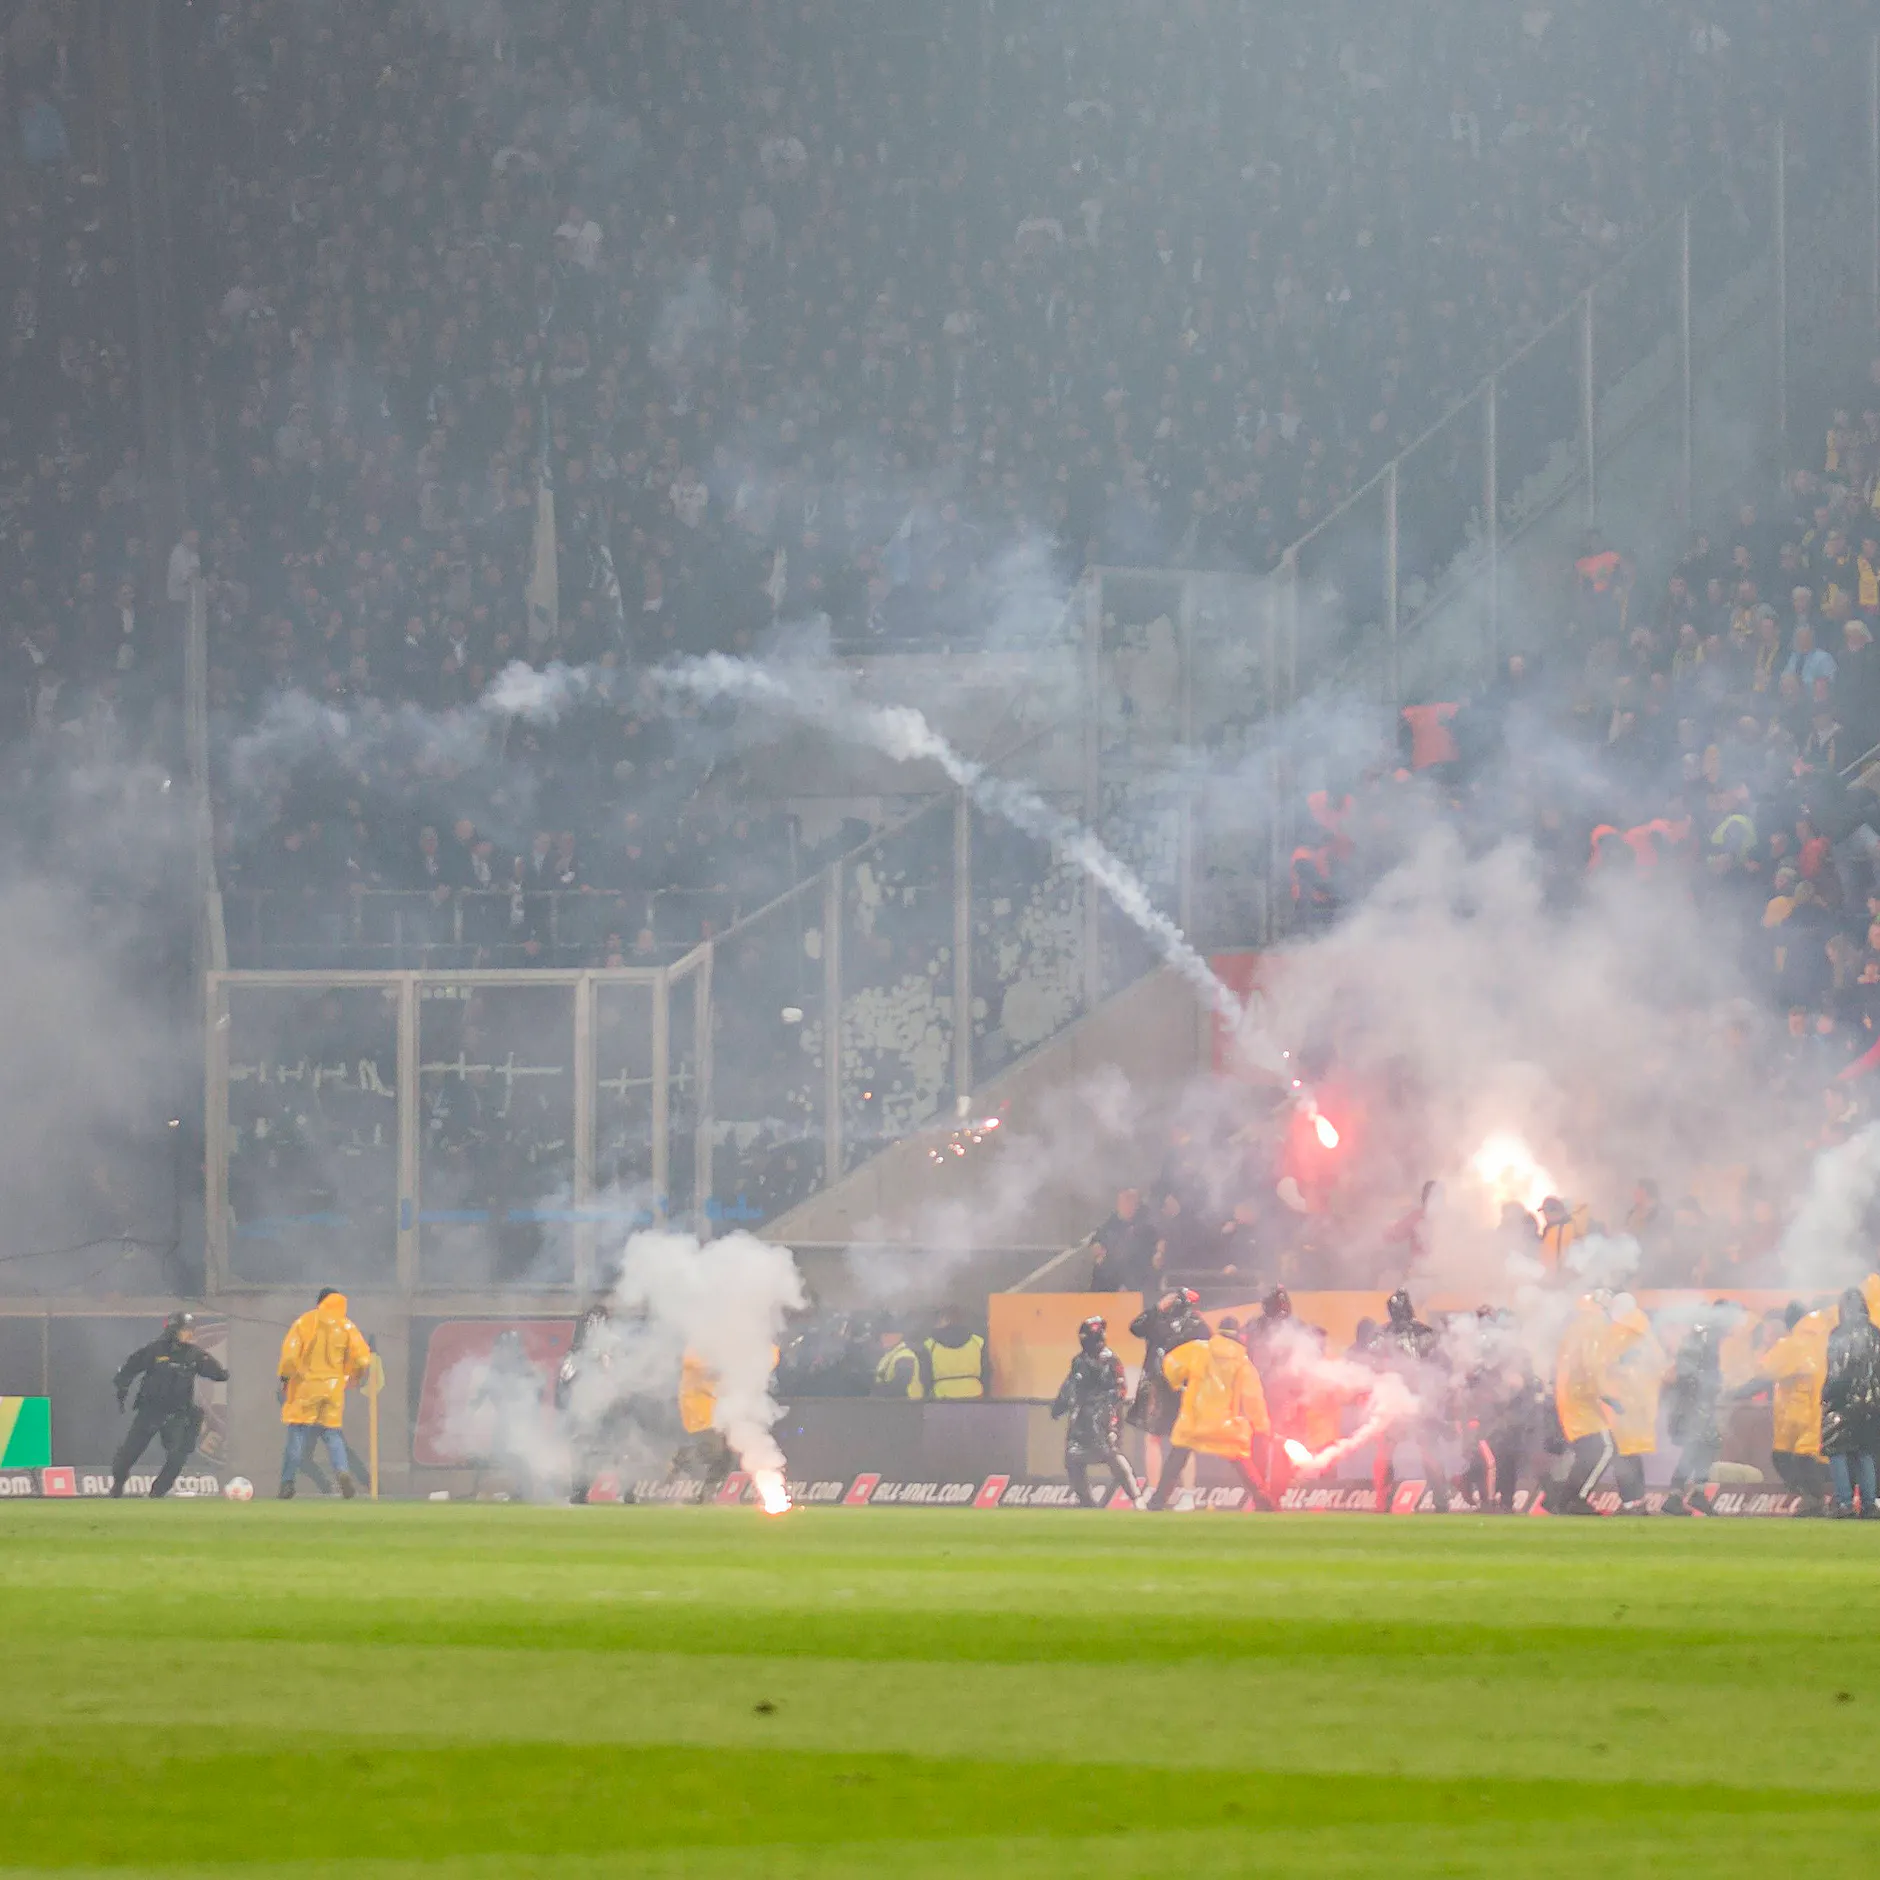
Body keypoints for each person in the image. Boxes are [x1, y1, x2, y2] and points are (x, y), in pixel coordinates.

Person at [1153, 1315, 1273, 1511]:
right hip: (1226, 1426)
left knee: (1176, 1458)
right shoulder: (1243, 1362)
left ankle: (1157, 1501)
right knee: (1242, 1462)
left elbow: (1170, 1367)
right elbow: (1254, 1398)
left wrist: (1175, 1382)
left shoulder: (1198, 1349)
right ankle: (1265, 1502)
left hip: (1194, 1423)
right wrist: (1262, 1426)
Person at [109, 1313, 229, 1499]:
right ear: (174, 1330)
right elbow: (130, 1367)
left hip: (178, 1414)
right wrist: (122, 1386)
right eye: (186, 1330)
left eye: (191, 1330)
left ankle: (158, 1492)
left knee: (178, 1456)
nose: (190, 1334)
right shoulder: (154, 1351)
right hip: (150, 1412)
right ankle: (118, 1484)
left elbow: (220, 1374)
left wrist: (214, 1367)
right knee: (128, 1454)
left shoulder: (195, 1355)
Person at [277, 1288, 373, 1500]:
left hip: (306, 1388)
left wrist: (285, 1377)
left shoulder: (305, 1322)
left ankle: (287, 1483)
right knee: (332, 1433)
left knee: (297, 1433)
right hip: (333, 1389)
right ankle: (342, 1472)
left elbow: (290, 1357)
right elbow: (363, 1359)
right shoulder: (347, 1325)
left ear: (319, 1301)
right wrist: (355, 1376)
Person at [1365, 1288, 1453, 1513]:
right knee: (1424, 1453)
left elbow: (1370, 1363)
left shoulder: (1382, 1335)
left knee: (1389, 1453)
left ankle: (1382, 1502)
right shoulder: (1426, 1333)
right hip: (1412, 1400)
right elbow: (1443, 1364)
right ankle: (1441, 1501)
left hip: (1401, 1401)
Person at [1745, 1301, 1832, 1513]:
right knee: (1807, 1458)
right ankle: (1819, 1498)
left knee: (1790, 1458)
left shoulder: (1793, 1344)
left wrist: (1735, 1392)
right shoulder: (1825, 1339)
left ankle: (1814, 1499)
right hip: (1822, 1410)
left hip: (1799, 1415)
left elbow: (1764, 1372)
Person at [1049, 1316, 1143, 1508]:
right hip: (1081, 1417)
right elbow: (1071, 1385)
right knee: (1073, 1458)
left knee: (1111, 1454)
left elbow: (1119, 1391)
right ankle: (1087, 1503)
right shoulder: (1079, 1361)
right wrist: (1060, 1405)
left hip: (1104, 1416)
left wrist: (1102, 1408)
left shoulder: (1110, 1360)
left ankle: (1137, 1498)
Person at [1126, 1286, 1211, 1486]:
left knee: (1157, 1439)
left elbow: (1136, 1327)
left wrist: (1157, 1308)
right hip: (1181, 1388)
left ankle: (1156, 1489)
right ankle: (1185, 1493)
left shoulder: (1161, 1320)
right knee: (1183, 1443)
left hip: (1163, 1387)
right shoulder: (1198, 1325)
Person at [1549, 1292, 1618, 1514]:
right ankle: (1576, 1498)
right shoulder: (1594, 1325)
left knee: (1588, 1452)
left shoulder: (1575, 1325)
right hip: (1581, 1396)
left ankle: (1564, 1501)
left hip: (1569, 1395)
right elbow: (1592, 1363)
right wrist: (1606, 1393)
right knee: (1605, 1448)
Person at [1660, 1308, 1730, 1516]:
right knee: (1697, 1447)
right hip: (1694, 1405)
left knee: (1703, 1446)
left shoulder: (1697, 1342)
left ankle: (1688, 1493)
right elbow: (1688, 1375)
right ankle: (1680, 1495)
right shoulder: (1700, 1342)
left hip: (1696, 1403)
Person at [1601, 1295, 1666, 1512]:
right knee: (1632, 1451)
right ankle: (1637, 1500)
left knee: (1622, 1452)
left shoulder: (1619, 1332)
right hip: (1641, 1402)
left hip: (1621, 1400)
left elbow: (1603, 1363)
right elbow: (1659, 1365)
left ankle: (1630, 1502)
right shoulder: (1646, 1331)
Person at [1822, 1286, 1880, 1517]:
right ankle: (1869, 1504)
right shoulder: (1875, 1332)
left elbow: (1835, 1371)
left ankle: (1844, 1503)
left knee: (1837, 1451)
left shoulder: (1838, 1333)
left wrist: (1827, 1397)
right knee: (1864, 1452)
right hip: (1870, 1404)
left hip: (1840, 1401)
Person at [670, 1350, 735, 1497]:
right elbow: (699, 1366)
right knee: (714, 1449)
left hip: (716, 1411)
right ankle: (681, 1458)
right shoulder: (695, 1350)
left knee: (728, 1454)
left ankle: (707, 1494)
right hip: (697, 1409)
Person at [1090, 1188, 1157, 1291]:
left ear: (1137, 1205)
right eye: (1122, 1202)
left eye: (1130, 1202)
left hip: (1137, 1281)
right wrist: (1097, 1244)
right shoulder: (1114, 1220)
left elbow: (1142, 1259)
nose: (1125, 1206)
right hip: (1110, 1280)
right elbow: (1100, 1234)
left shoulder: (1146, 1223)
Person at [923, 1307, 990, 1400]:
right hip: (975, 1396)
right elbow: (987, 1372)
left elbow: (925, 1376)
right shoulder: (978, 1341)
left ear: (945, 1319)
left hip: (942, 1397)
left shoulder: (930, 1344)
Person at [872, 1325, 925, 1399]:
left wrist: (878, 1391)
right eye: (882, 1335)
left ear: (899, 1336)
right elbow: (880, 1376)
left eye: (887, 1335)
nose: (883, 1338)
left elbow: (900, 1386)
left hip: (907, 1404)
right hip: (895, 1403)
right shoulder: (889, 1355)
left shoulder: (905, 1356)